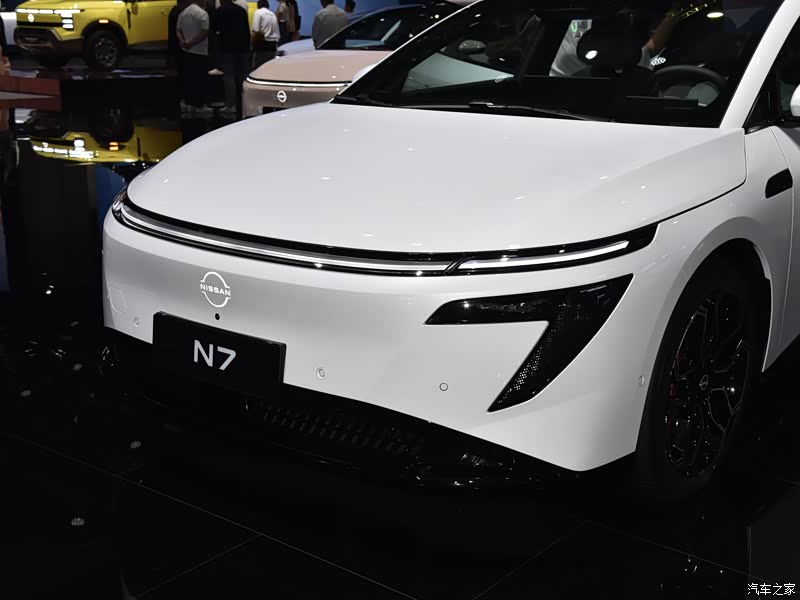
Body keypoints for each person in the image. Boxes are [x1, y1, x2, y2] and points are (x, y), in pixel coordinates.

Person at [215, 0, 251, 113]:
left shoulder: (220, 11)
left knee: (229, 77)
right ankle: (245, 103)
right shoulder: (241, 10)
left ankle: (231, 104)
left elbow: (215, 30)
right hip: (243, 48)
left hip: (227, 48)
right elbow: (247, 31)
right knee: (243, 76)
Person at [177, 0, 211, 112]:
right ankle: (200, 105)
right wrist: (192, 43)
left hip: (186, 51)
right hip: (200, 51)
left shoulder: (183, 13)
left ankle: (188, 103)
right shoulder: (203, 14)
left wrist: (183, 42)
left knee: (189, 78)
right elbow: (204, 32)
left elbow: (178, 30)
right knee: (200, 79)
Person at [251, 0, 280, 69]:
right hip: (273, 45)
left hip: (262, 44)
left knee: (258, 68)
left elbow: (256, 31)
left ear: (258, 6)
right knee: (269, 68)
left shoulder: (258, 12)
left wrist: (251, 45)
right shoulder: (272, 14)